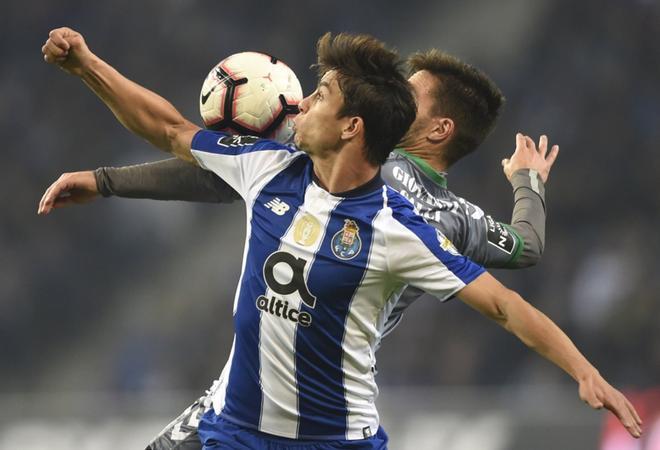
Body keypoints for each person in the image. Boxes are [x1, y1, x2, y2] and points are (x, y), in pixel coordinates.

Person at [41, 26, 642, 449]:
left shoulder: (396, 219)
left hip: (330, 428)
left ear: (431, 125)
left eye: (414, 90)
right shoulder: (450, 213)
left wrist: (585, 372)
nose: (300, 102)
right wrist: (529, 185)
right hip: (239, 419)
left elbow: (506, 308)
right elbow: (525, 247)